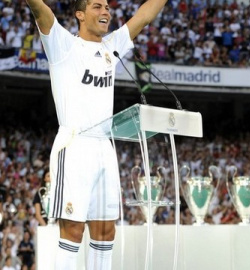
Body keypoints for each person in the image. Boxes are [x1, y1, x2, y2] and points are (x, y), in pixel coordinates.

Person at [25, 0, 169, 268]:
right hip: (74, 144)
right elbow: (39, 9)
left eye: (107, 7)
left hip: (105, 146)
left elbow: (145, 16)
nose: (106, 12)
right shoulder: (63, 44)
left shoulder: (111, 47)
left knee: (105, 232)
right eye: (97, 6)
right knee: (72, 232)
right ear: (80, 14)